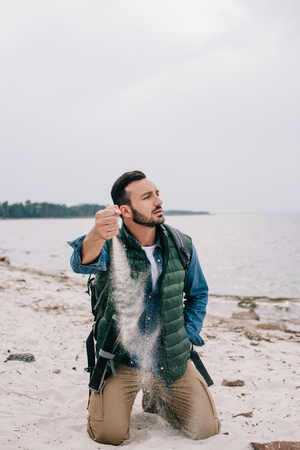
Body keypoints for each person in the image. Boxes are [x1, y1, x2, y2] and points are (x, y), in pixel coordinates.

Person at [69, 170, 220, 445]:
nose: (158, 201)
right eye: (147, 196)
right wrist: (96, 234)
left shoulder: (181, 243)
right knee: (109, 435)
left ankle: (154, 398)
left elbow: (198, 294)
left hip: (169, 357)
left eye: (157, 194)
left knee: (206, 429)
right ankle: (108, 399)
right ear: (125, 209)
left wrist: (187, 334)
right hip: (120, 357)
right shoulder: (108, 241)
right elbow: (81, 262)